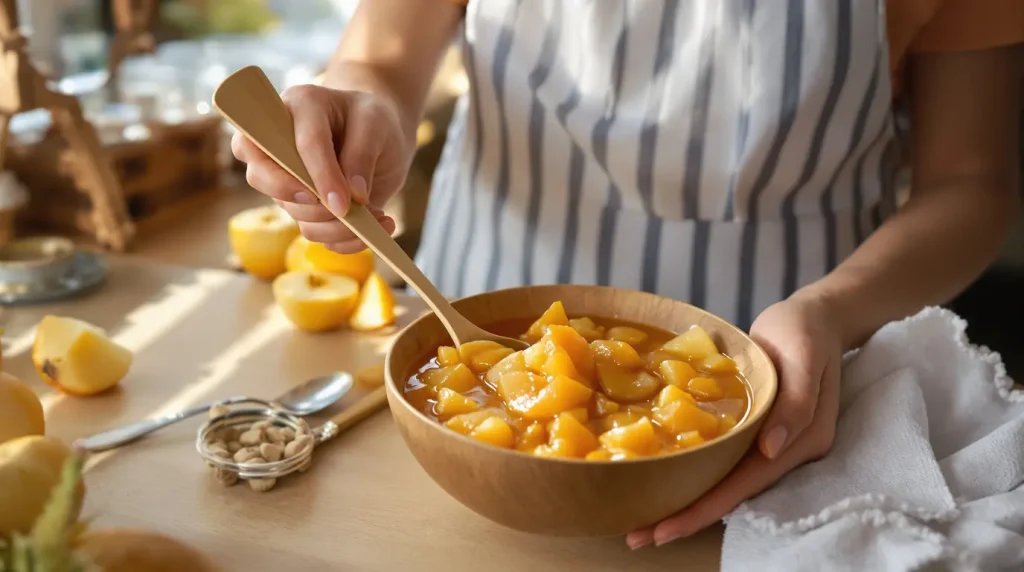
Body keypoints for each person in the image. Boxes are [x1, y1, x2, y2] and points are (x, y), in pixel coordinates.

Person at [232, 0, 1023, 549]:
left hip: (804, 379)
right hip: (474, 330)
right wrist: (357, 111)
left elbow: (973, 182)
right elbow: (381, 56)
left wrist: (834, 310)